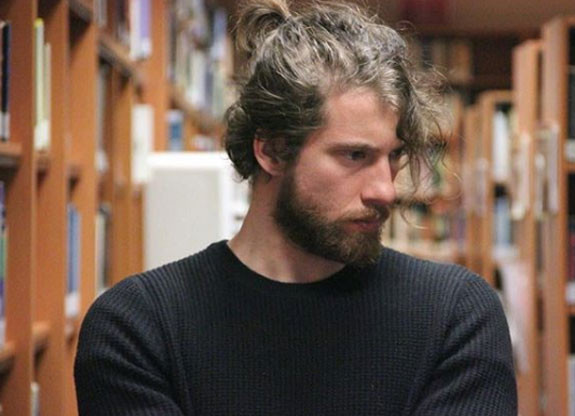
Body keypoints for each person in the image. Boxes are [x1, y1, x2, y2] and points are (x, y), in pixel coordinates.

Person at [74, 1, 517, 414]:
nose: (385, 190)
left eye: (394, 156)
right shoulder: (137, 328)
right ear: (272, 151)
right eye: (355, 156)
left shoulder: (456, 316)